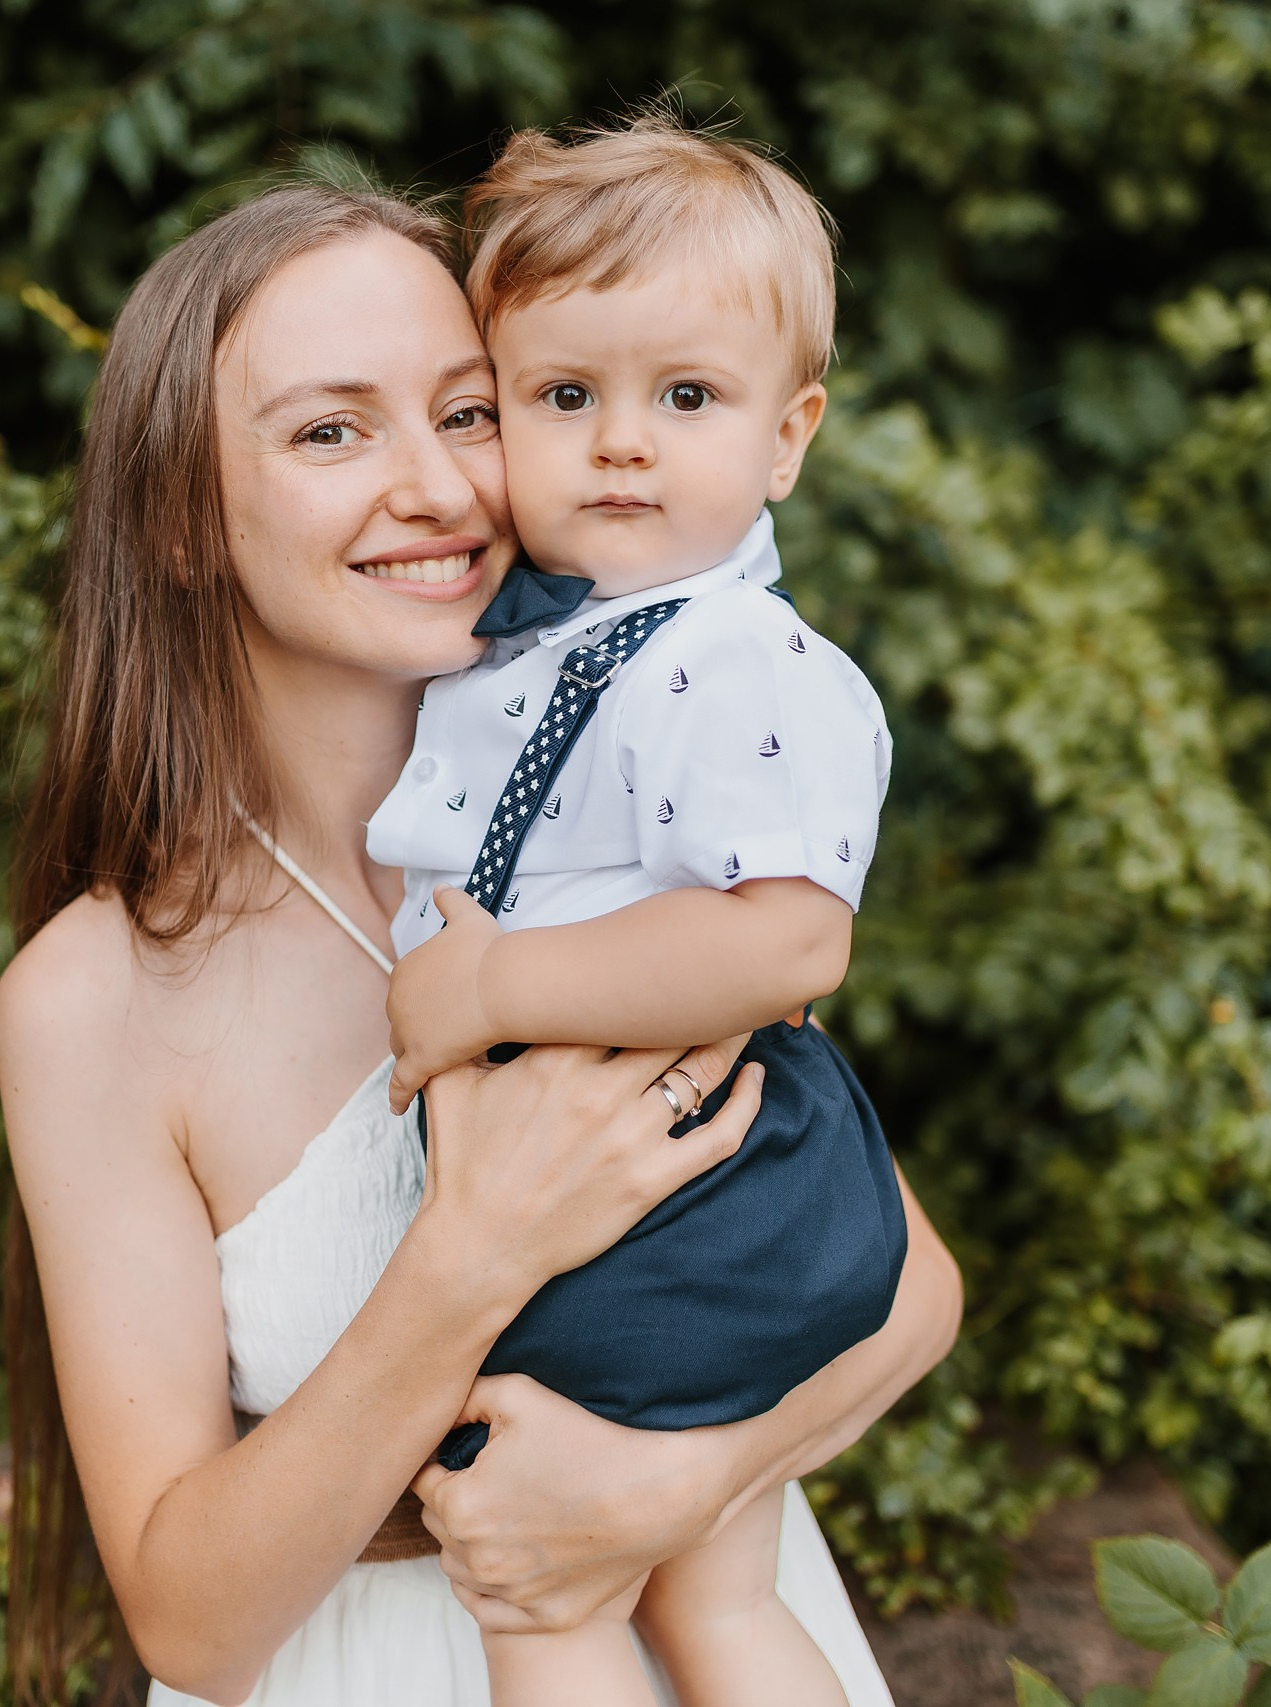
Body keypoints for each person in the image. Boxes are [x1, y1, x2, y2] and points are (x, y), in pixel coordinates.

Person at [0, 179, 961, 1707]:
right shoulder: (99, 996)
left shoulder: (615, 814)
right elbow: (185, 1620)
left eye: (471, 411)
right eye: (332, 431)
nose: (438, 486)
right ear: (181, 515)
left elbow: (910, 1285)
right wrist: (467, 1261)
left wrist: (671, 1488)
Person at [370, 119, 895, 1707]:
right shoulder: (567, 642)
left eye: (686, 398)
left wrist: (490, 988)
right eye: (562, 396)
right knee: (718, 1601)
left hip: (693, 1192)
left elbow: (793, 944)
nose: (619, 444)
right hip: (668, 1175)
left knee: (551, 1603)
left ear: (787, 436)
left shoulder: (735, 661)